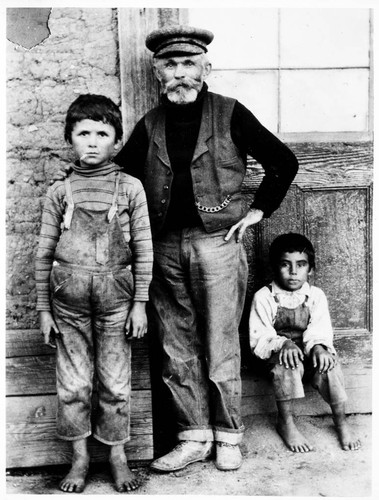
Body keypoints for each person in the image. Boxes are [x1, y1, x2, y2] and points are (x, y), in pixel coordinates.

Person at [54, 24, 299, 472]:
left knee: (221, 342)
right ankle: (193, 436)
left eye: (189, 64)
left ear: (205, 67)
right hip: (163, 248)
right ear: (157, 70)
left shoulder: (231, 113)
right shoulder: (151, 123)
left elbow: (284, 162)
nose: (180, 73)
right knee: (175, 345)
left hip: (217, 245)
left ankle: (229, 436)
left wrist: (258, 212)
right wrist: (76, 191)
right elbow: (120, 174)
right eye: (171, 65)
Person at [35, 94, 153, 492]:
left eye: (102, 133)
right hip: (67, 305)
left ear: (116, 141)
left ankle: (118, 454)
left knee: (116, 384)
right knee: (74, 384)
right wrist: (43, 310)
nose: (91, 141)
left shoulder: (130, 188)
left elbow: (143, 250)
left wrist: (139, 304)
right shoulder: (59, 192)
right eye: (83, 132)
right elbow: (43, 252)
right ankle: (80, 457)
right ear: (70, 137)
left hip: (116, 303)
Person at [249, 233, 361, 453]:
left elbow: (320, 329)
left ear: (310, 269)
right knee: (286, 364)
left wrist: (319, 347)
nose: (293, 272)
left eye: (300, 265)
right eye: (285, 265)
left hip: (308, 356)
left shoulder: (315, 296)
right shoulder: (265, 297)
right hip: (277, 359)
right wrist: (282, 344)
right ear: (274, 267)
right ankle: (286, 422)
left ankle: (341, 421)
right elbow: (260, 337)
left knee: (330, 364)